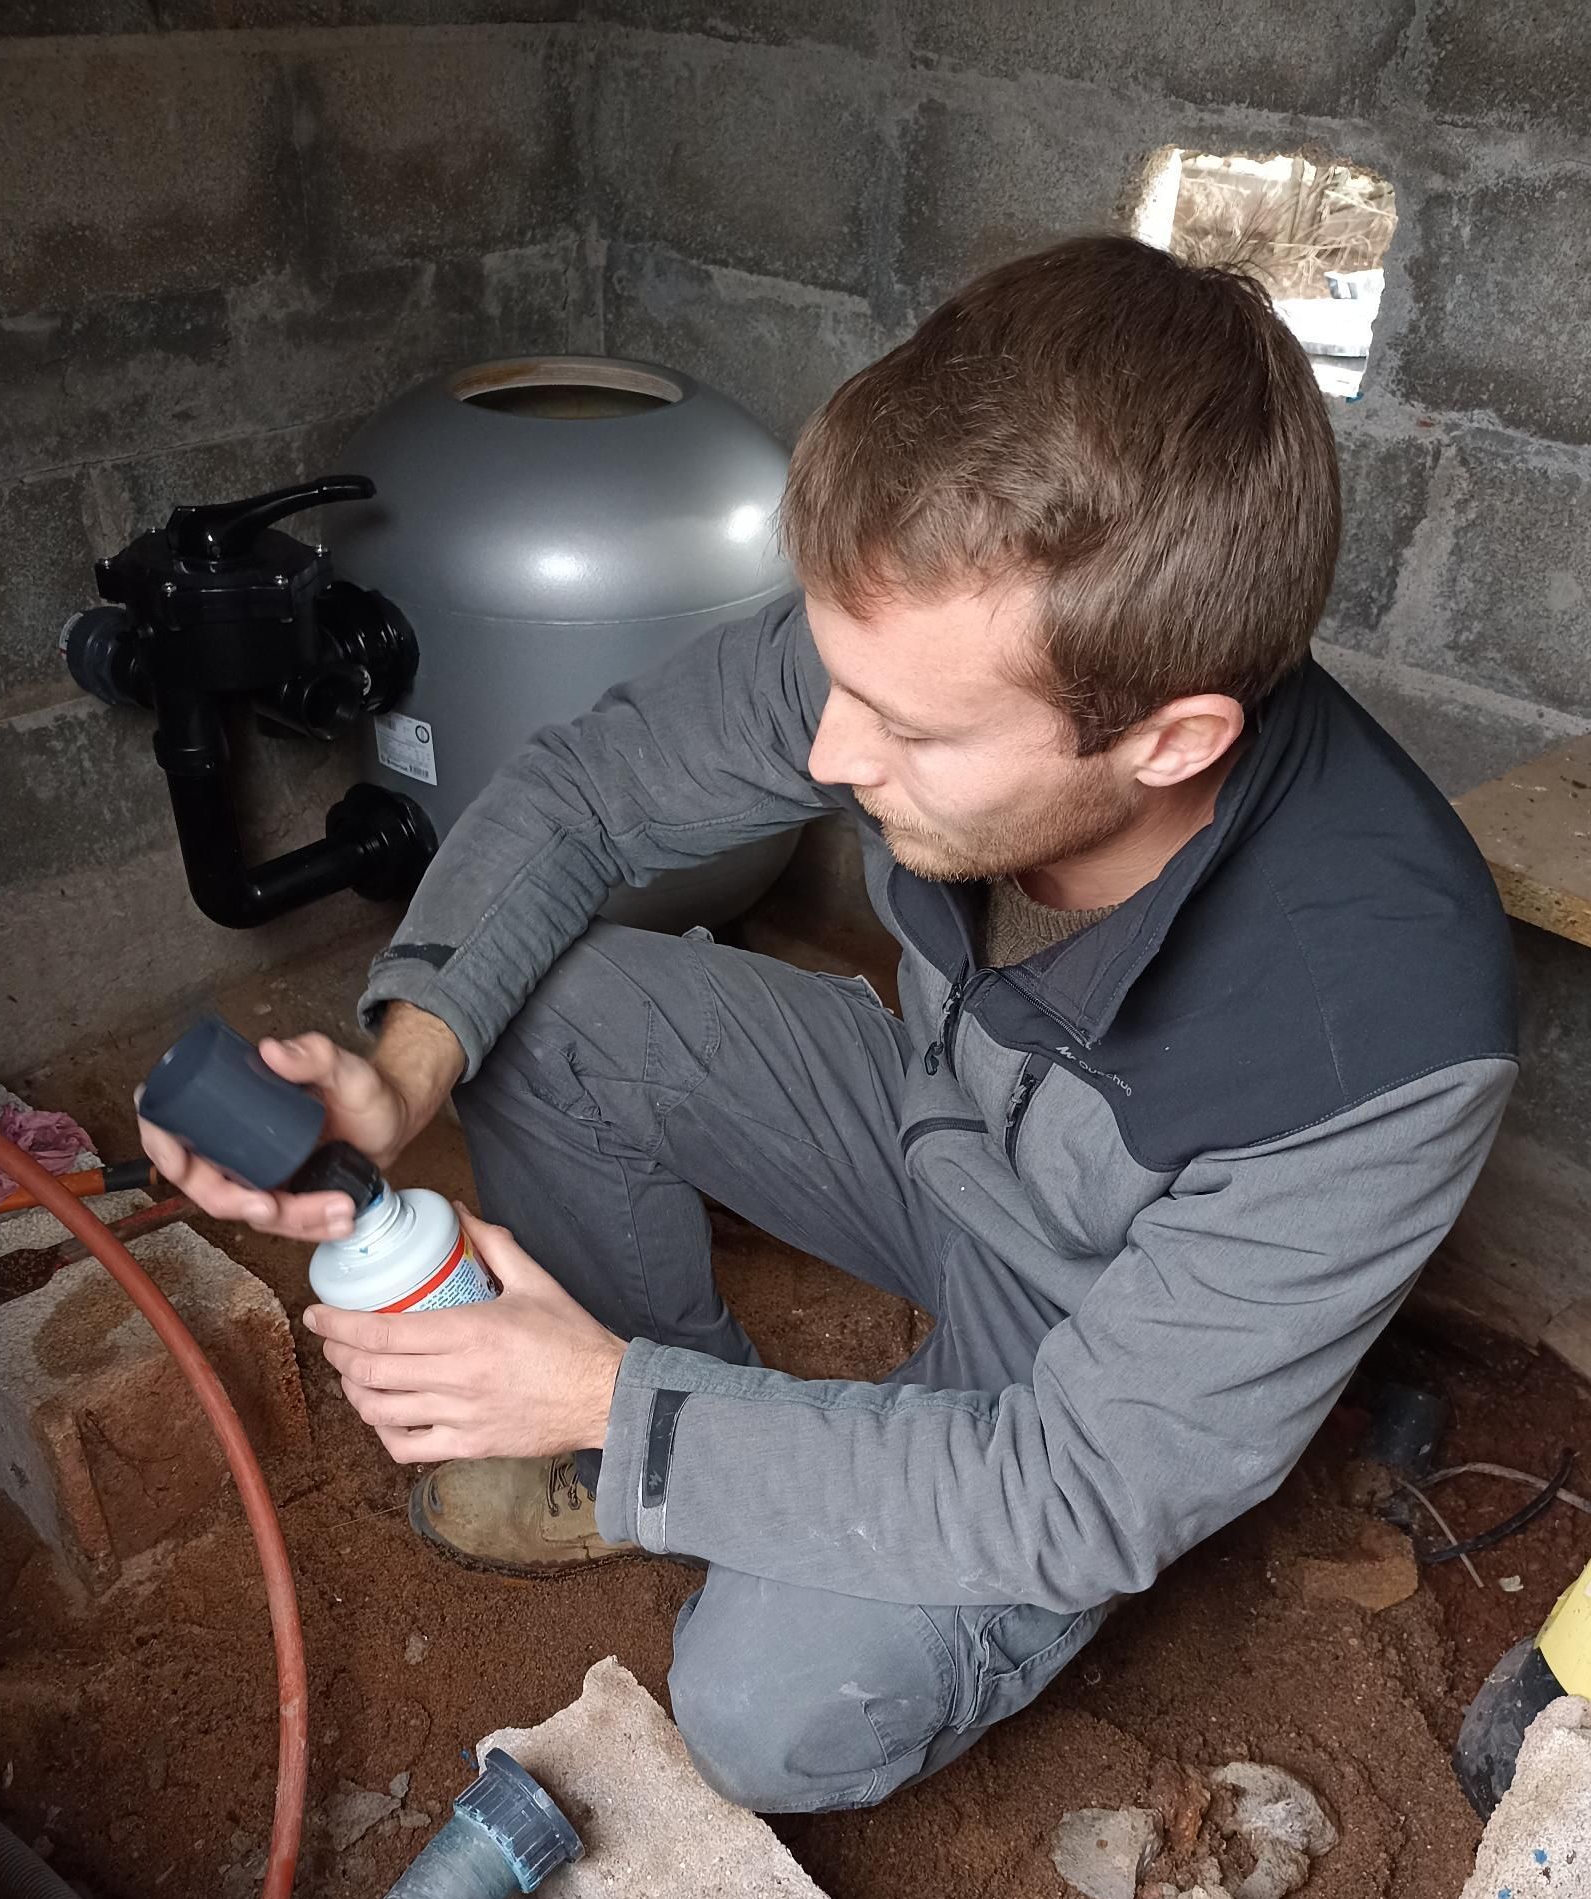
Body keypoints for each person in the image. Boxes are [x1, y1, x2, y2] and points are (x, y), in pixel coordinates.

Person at [141, 234, 1517, 1815]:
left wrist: (611, 1403)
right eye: (836, 673)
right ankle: (656, 1441)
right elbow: (592, 789)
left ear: (1168, 738)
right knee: (547, 1010)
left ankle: (648, 1430)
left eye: (910, 730)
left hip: (1090, 1348)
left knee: (767, 1711)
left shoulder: (1384, 1026)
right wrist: (404, 1067)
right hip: (939, 1138)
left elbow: (1080, 1489)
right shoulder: (923, 641)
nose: (830, 745)